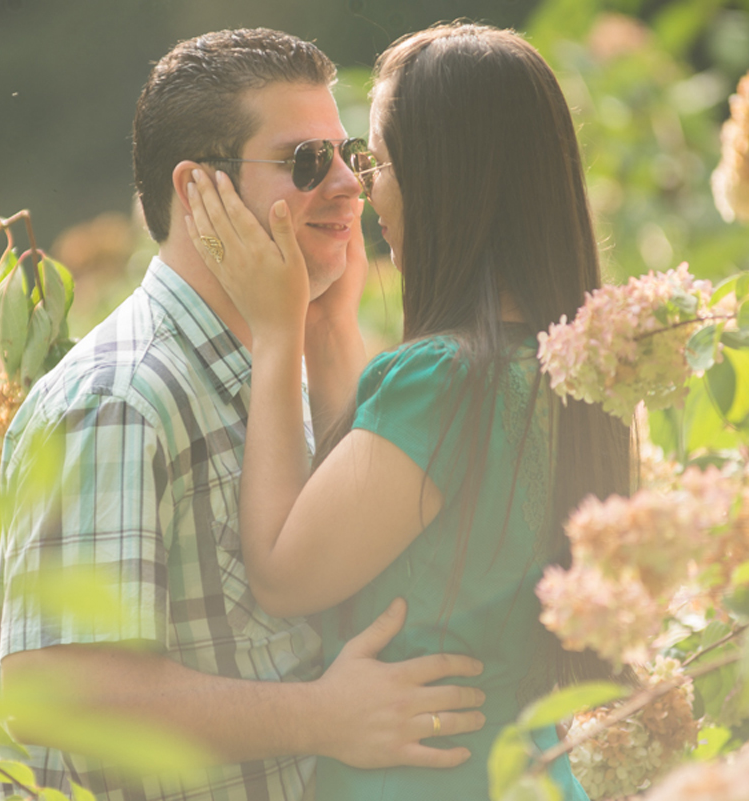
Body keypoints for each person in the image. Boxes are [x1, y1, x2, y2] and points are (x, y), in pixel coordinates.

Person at [0, 27, 488, 801]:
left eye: (348, 154)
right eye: (306, 161)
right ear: (199, 192)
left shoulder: (274, 363)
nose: (349, 186)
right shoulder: (120, 396)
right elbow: (51, 688)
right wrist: (320, 716)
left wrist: (329, 330)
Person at [183, 22, 633, 801]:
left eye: (377, 161)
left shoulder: (442, 381)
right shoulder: (562, 372)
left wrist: (276, 329)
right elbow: (378, 507)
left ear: (446, 175)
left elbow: (286, 573)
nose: (360, 189)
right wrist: (330, 332)